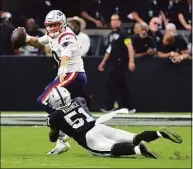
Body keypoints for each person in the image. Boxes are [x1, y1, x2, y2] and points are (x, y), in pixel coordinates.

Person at [14, 10, 87, 154]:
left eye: (55, 25)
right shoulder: (53, 35)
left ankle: (65, 128)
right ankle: (62, 140)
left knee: (44, 99)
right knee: (57, 103)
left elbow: (66, 54)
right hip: (69, 74)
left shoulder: (66, 35)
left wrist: (62, 70)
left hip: (73, 74)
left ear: (63, 24)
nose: (52, 28)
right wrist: (26, 38)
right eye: (50, 25)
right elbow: (38, 42)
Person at [46, 86, 183, 157]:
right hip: (100, 126)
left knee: (112, 150)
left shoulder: (54, 117)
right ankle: (159, 133)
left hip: (89, 137)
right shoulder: (79, 100)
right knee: (134, 138)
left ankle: (139, 150)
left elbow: (53, 138)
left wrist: (56, 132)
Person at [98, 14, 135, 113]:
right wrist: (103, 62)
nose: (114, 22)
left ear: (120, 22)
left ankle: (109, 106)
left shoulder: (124, 34)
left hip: (122, 63)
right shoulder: (111, 35)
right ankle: (129, 107)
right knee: (121, 86)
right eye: (112, 20)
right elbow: (109, 50)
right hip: (113, 63)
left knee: (112, 84)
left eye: (116, 20)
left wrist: (131, 61)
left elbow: (130, 47)